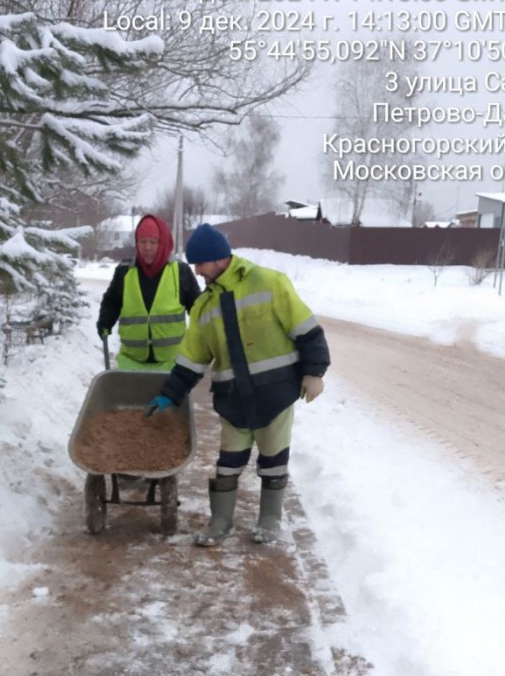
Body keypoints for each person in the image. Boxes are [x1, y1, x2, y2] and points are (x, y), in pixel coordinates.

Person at [146, 223, 330, 545]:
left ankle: (270, 520)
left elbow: (307, 331)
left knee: (273, 460)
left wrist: (314, 372)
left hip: (275, 393)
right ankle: (220, 522)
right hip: (233, 400)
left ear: (217, 259)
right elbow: (191, 360)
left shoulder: (270, 283)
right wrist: (168, 395)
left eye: (200, 264)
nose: (198, 271)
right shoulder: (204, 307)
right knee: (228, 463)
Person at [97, 214, 201, 371]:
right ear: (136, 243)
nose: (147, 248)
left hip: (171, 364)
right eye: (142, 242)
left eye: (153, 242)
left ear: (163, 242)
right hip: (132, 363)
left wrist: (204, 334)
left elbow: (197, 307)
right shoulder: (125, 271)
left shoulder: (180, 271)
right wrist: (105, 322)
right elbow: (112, 301)